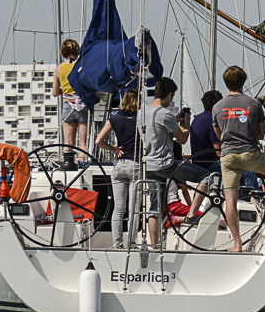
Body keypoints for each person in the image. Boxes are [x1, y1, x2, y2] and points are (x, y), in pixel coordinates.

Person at [212, 65, 265, 252]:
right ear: (243, 81)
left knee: (230, 198)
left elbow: (219, 135)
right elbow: (260, 134)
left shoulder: (217, 107)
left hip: (228, 156)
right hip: (250, 154)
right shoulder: (254, 104)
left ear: (226, 83)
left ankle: (237, 244)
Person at [139, 78, 209, 245]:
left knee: (155, 208)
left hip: (149, 166)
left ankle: (155, 245)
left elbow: (158, 128)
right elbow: (183, 139)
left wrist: (176, 120)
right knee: (207, 177)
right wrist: (186, 124)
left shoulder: (142, 113)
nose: (172, 99)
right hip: (166, 165)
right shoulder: (165, 114)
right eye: (172, 96)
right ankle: (192, 216)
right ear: (169, 94)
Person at [95, 90, 142, 249]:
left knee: (118, 208)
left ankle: (117, 244)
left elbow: (98, 141)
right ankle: (132, 243)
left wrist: (113, 149)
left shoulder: (114, 118)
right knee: (133, 209)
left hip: (118, 165)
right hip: (135, 164)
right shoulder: (141, 119)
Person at [52, 38, 89, 163]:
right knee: (82, 143)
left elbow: (55, 93)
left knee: (68, 143)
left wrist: (65, 89)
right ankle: (82, 166)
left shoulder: (59, 69)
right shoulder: (82, 66)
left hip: (68, 106)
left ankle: (68, 167)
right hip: (83, 105)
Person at [189, 90, 224, 174]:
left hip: (197, 164)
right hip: (210, 165)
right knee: (247, 172)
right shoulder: (211, 121)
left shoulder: (196, 118)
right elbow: (219, 152)